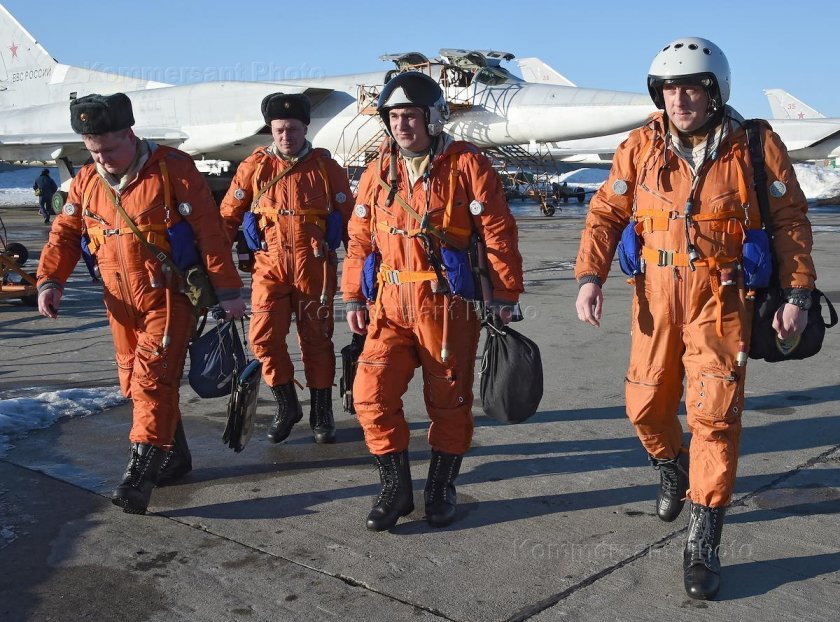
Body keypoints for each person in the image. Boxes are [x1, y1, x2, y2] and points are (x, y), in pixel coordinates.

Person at [574, 37, 816, 600]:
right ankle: (670, 466)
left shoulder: (753, 144)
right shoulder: (638, 147)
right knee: (645, 404)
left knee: (715, 414)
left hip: (722, 300)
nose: (679, 99)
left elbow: (789, 219)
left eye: (691, 88)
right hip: (655, 299)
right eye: (670, 89)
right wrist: (590, 276)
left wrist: (798, 294)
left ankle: (703, 535)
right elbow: (606, 212)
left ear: (714, 91)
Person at [36, 93, 247, 515]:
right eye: (93, 150)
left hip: (167, 299)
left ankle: (138, 476)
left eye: (110, 149)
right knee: (136, 382)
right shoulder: (87, 180)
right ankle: (175, 456)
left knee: (151, 379)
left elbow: (210, 232)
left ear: (130, 135)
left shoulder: (172, 169)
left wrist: (229, 291)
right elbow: (64, 234)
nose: (103, 158)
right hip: (120, 304)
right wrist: (50, 281)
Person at [342, 72, 524, 531]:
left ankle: (440, 486)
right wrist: (352, 297)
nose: (402, 125)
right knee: (370, 396)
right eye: (395, 116)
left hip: (447, 307)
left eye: (411, 116)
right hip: (388, 304)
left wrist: (504, 294)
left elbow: (498, 231)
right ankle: (396, 487)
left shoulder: (467, 165)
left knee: (449, 403)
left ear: (433, 118)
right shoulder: (376, 172)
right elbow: (360, 241)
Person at [220, 93, 354, 445]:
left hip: (314, 267)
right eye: (279, 130)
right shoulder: (254, 167)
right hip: (269, 267)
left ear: (305, 128)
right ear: (271, 130)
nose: (285, 136)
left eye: (292, 129)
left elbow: (355, 223)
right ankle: (287, 404)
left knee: (316, 340)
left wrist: (362, 272)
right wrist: (217, 272)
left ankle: (321, 412)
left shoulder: (327, 169)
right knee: (263, 338)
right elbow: (225, 219)